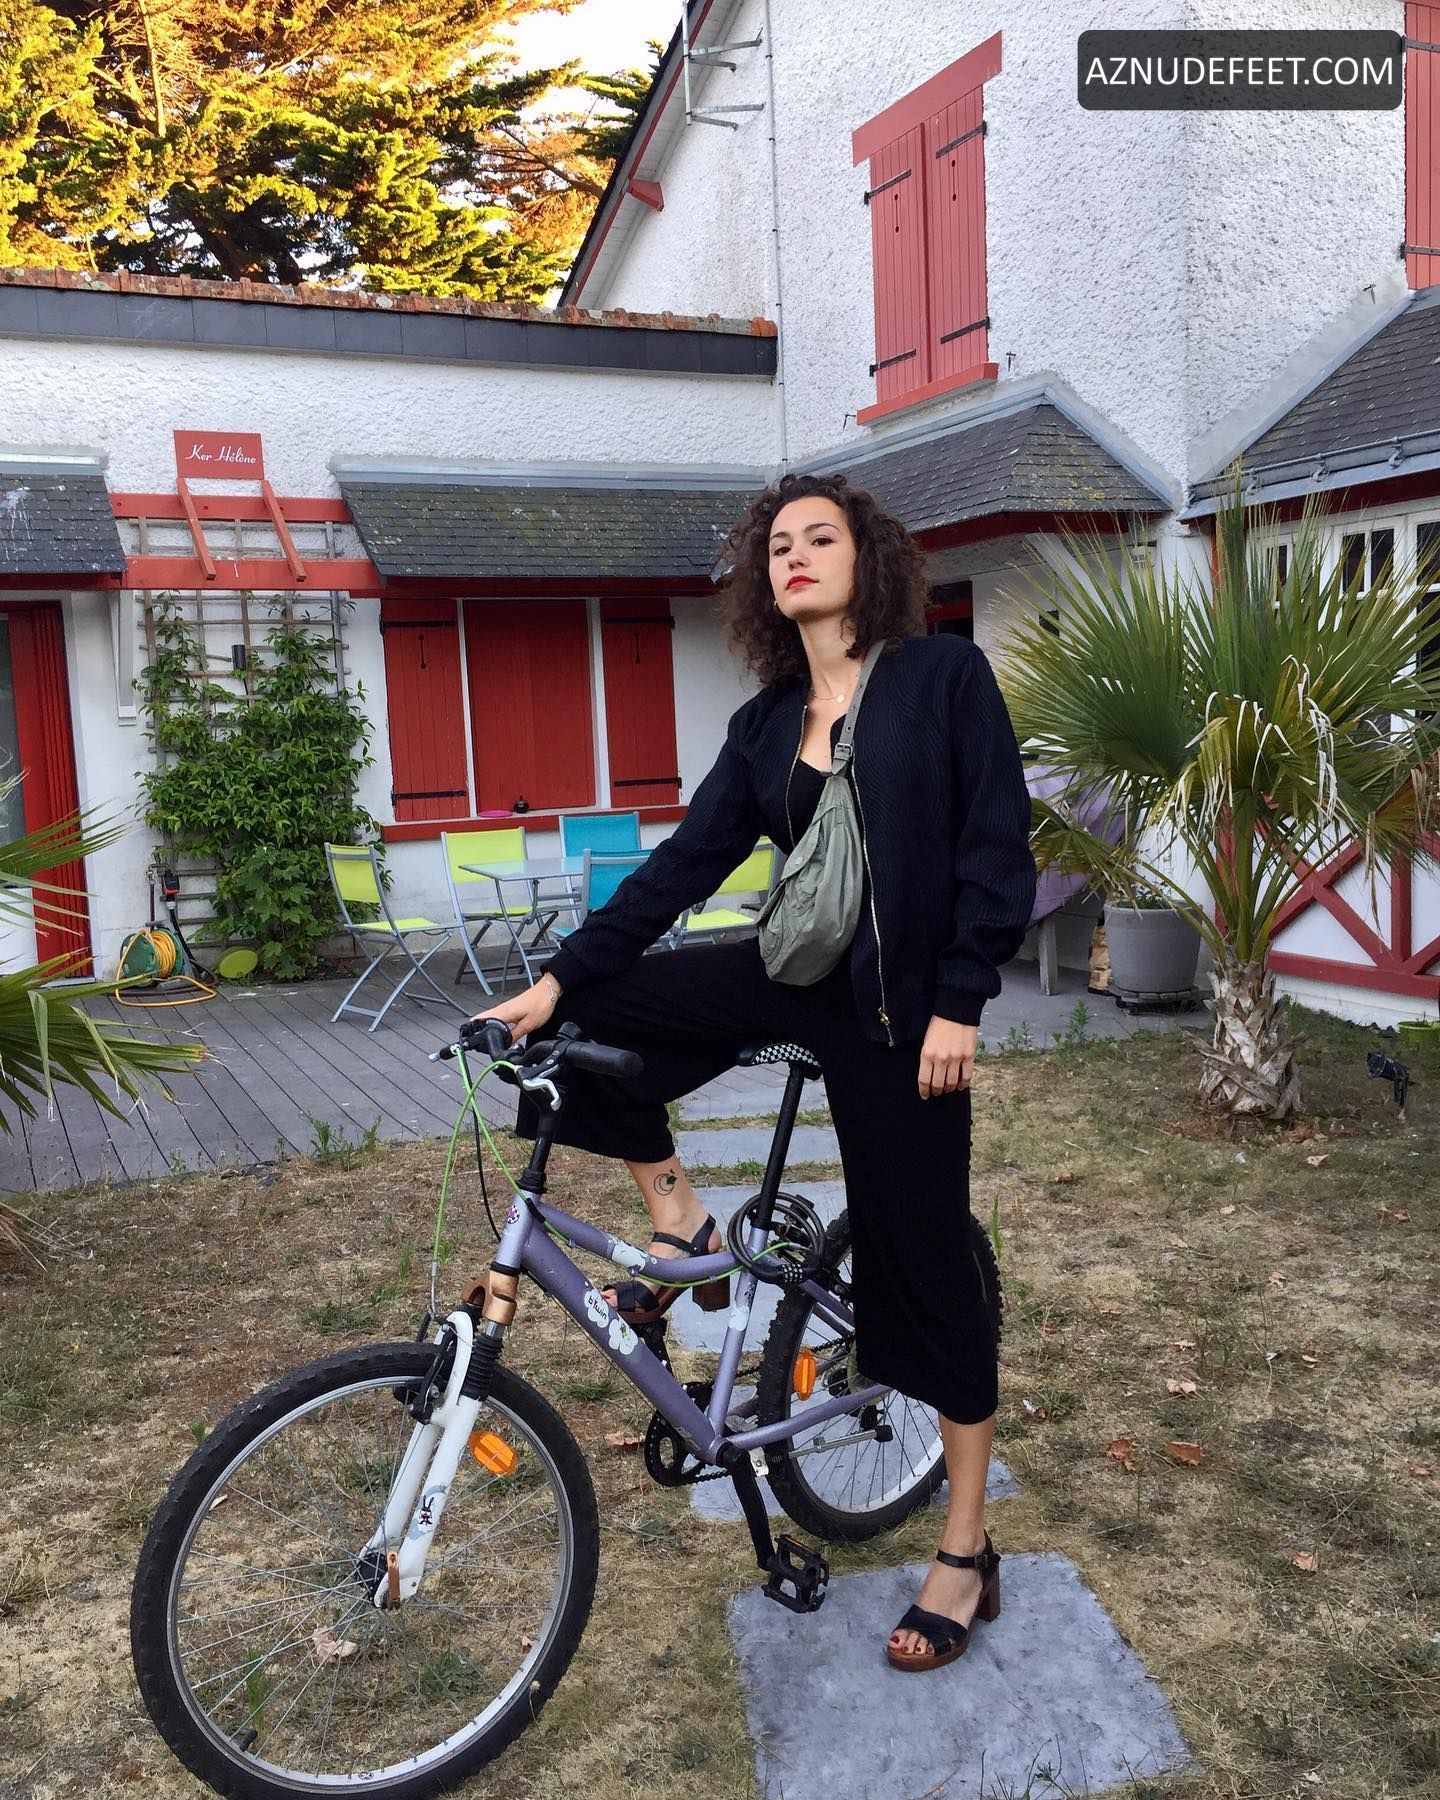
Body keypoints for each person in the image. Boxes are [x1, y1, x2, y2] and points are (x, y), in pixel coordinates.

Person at [474, 470, 1037, 1671]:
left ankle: (966, 1546)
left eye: (819, 537)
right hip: (797, 974)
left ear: (866, 558)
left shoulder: (942, 677)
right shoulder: (769, 722)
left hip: (902, 1010)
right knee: (585, 1029)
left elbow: (996, 846)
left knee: (925, 1263)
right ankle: (680, 1217)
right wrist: (557, 981)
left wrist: (960, 1001)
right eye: (778, 545)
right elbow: (682, 868)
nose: (795, 557)